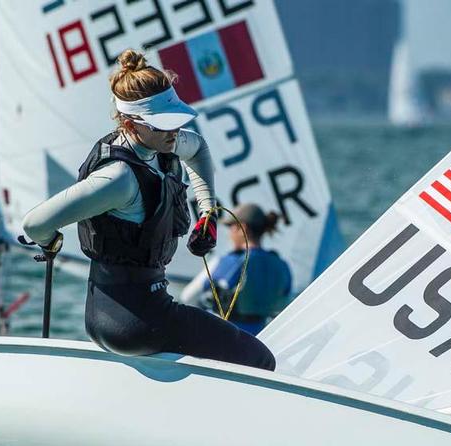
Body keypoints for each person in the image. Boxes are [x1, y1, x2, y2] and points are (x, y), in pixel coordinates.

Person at [21, 50, 275, 371]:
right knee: (260, 360)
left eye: (175, 121)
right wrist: (49, 240)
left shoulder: (160, 145)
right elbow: (34, 224)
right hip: (133, 323)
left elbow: (197, 148)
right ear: (130, 123)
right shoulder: (117, 179)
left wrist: (207, 211)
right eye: (163, 125)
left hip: (137, 314)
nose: (173, 132)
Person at [200, 204, 292, 335]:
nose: (229, 234)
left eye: (231, 227)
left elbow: (204, 292)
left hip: (231, 337)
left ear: (242, 228)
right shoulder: (281, 265)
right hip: (265, 338)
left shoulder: (234, 261)